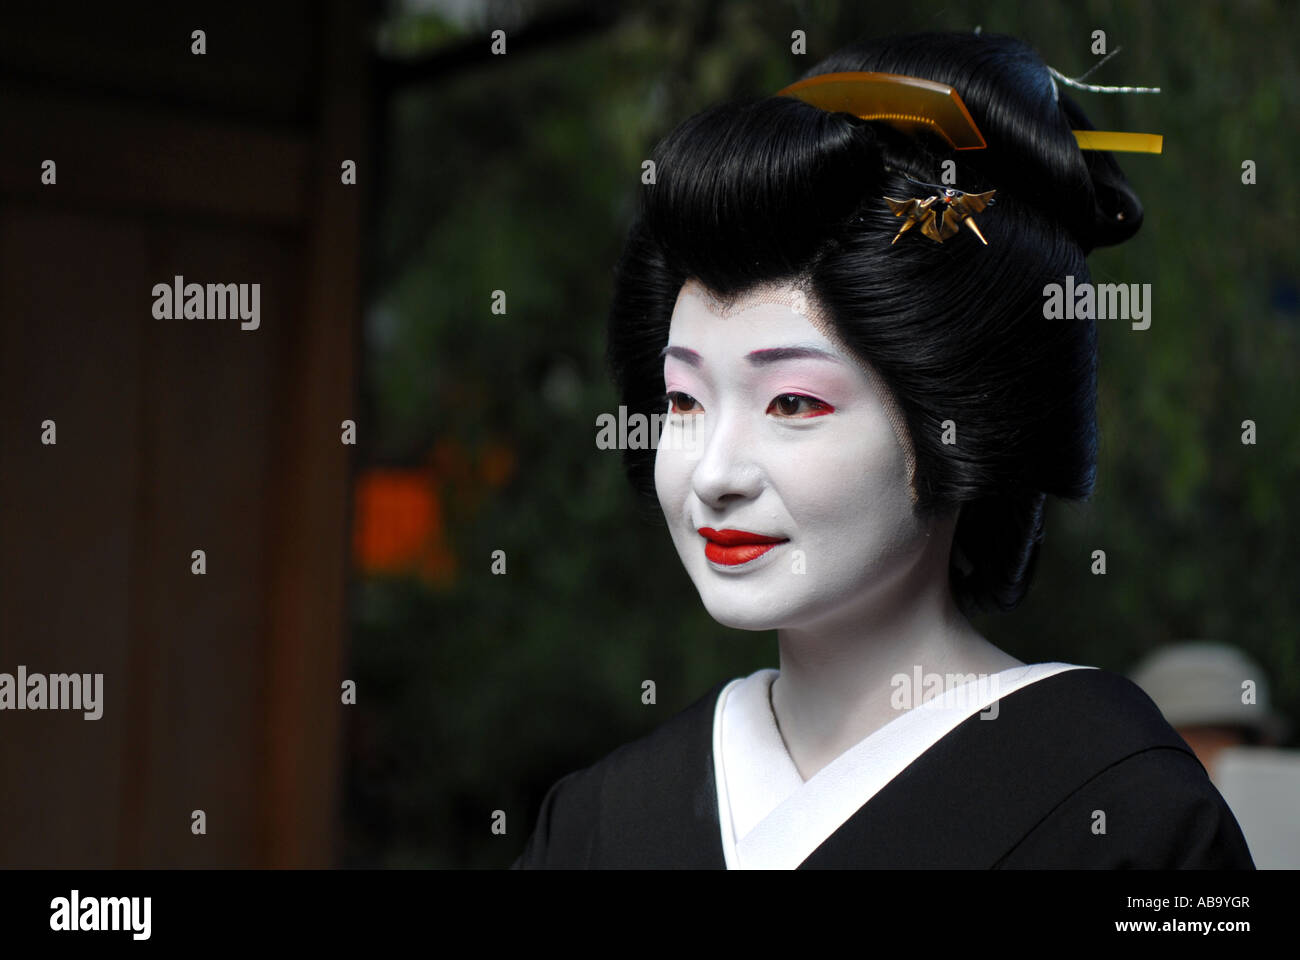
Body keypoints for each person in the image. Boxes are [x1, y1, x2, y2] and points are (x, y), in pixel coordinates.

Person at [514, 31, 1254, 868]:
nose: (714, 474)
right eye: (683, 400)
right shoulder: (602, 820)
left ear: (962, 416)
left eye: (794, 402)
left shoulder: (1127, 811)